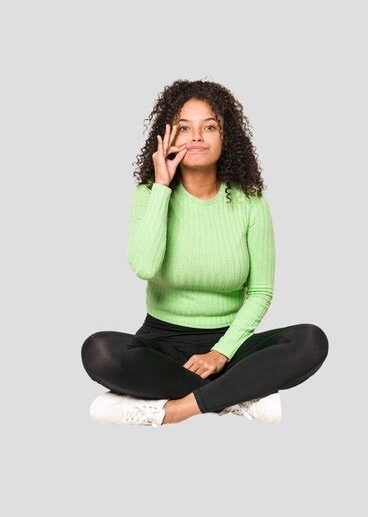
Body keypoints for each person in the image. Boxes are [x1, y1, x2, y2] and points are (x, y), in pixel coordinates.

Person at [81, 79, 329, 427]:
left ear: (225, 138)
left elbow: (260, 292)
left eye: (209, 127)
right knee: (99, 351)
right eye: (185, 128)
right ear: (167, 137)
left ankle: (176, 409)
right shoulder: (150, 195)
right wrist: (163, 188)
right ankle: (235, 397)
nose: (197, 137)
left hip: (232, 342)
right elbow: (145, 266)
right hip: (162, 344)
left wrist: (221, 353)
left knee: (310, 341)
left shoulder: (250, 203)